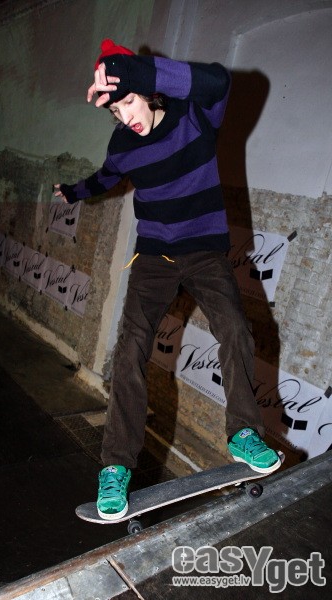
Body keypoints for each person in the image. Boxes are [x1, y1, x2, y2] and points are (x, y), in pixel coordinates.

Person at [54, 39, 281, 520]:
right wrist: (72, 192)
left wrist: (138, 71)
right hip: (154, 256)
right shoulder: (123, 145)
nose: (126, 117)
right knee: (131, 347)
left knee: (235, 329)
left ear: (147, 90)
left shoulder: (194, 117)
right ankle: (115, 466)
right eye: (115, 111)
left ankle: (243, 432)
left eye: (129, 102)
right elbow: (106, 177)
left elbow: (219, 80)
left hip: (205, 252)